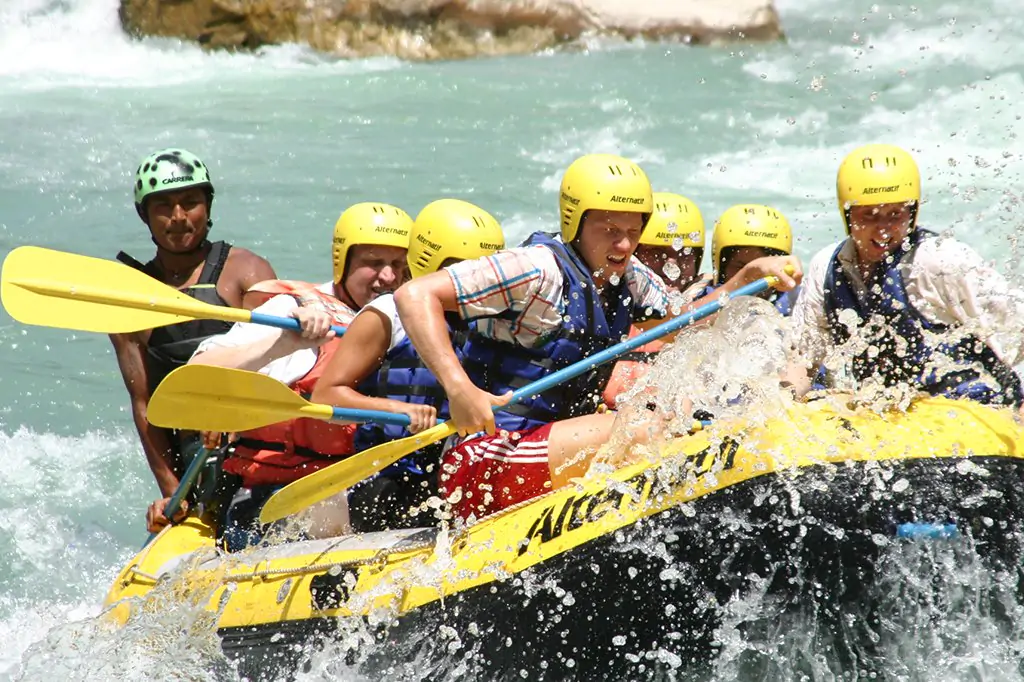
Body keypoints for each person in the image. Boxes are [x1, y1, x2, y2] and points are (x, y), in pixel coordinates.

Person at [394, 153, 801, 523]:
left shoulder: (628, 276)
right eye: (609, 230)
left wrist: (744, 279)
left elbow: (683, 325)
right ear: (575, 223)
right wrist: (459, 389)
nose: (623, 244)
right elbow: (414, 295)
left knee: (680, 405)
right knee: (640, 427)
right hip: (484, 458)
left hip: (549, 444)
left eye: (632, 230)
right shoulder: (535, 270)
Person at [146, 202, 413, 541]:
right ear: (342, 263)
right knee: (337, 507)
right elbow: (197, 375)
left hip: (364, 487)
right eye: (374, 263)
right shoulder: (293, 310)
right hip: (275, 498)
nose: (388, 277)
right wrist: (283, 345)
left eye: (397, 265)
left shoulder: (412, 321)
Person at [311, 198, 505, 531]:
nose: (476, 284)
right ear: (431, 264)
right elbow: (326, 396)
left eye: (485, 272)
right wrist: (396, 410)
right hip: (387, 478)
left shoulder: (493, 318)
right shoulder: (386, 315)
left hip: (457, 472)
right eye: (462, 270)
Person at [787, 143, 1024, 406]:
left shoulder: (941, 261)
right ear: (847, 214)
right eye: (869, 216)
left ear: (912, 214)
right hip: (895, 418)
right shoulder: (826, 268)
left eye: (895, 215)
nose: (883, 230)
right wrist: (779, 407)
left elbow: (1018, 327)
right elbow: (803, 363)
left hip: (976, 412)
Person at [110, 148, 276, 506]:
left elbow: (277, 367)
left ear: (208, 205)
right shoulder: (127, 299)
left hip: (256, 444)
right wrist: (171, 491)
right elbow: (144, 404)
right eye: (163, 206)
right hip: (195, 460)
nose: (178, 217)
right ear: (145, 215)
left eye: (190, 202)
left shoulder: (246, 271)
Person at [600, 192, 710, 410]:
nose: (672, 265)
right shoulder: (606, 304)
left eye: (683, 254)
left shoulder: (713, 306)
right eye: (656, 251)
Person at [709, 204, 798, 315]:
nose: (755, 277)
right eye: (741, 267)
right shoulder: (697, 299)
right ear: (721, 269)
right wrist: (744, 278)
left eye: (765, 270)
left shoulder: (796, 306)